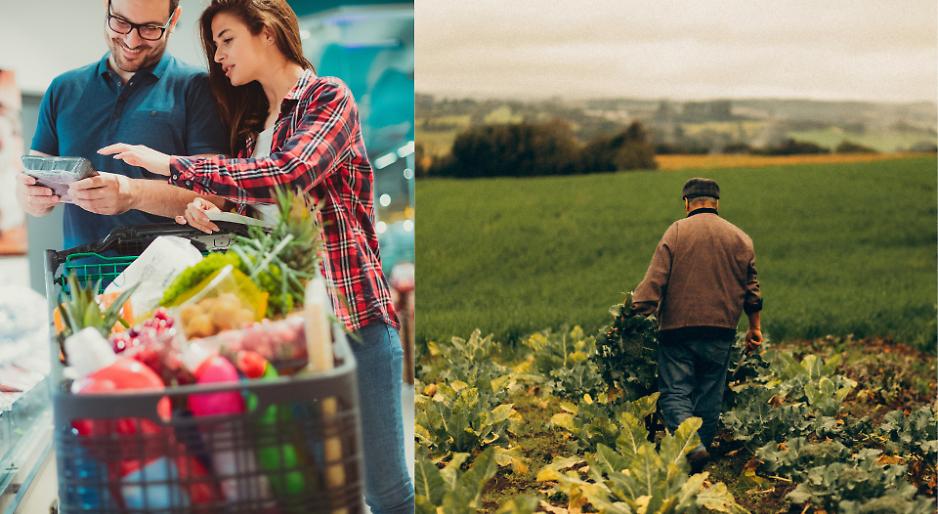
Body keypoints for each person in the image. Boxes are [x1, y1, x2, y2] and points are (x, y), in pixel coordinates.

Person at [98, 1, 414, 512]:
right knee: (321, 491)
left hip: (354, 322)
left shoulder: (327, 97)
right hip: (292, 334)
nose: (219, 56)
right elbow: (255, 213)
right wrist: (210, 211)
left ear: (266, 31)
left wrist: (173, 165)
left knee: (386, 491)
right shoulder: (251, 133)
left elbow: (290, 174)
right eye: (214, 46)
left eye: (226, 39)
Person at [17, 0, 227, 249]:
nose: (132, 41)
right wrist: (29, 196)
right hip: (82, 269)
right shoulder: (63, 89)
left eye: (150, 28)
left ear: (174, 19)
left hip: (172, 270)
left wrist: (132, 193)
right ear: (106, 6)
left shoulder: (198, 88)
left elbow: (216, 195)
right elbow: (32, 179)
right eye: (121, 22)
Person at [632, 177, 763, 472]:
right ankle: (698, 459)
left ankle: (691, 447)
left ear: (686, 202)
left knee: (675, 392)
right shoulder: (740, 237)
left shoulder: (677, 232)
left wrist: (634, 315)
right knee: (709, 394)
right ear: (717, 203)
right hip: (721, 330)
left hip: (677, 330)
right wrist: (754, 327)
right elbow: (752, 290)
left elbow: (654, 282)